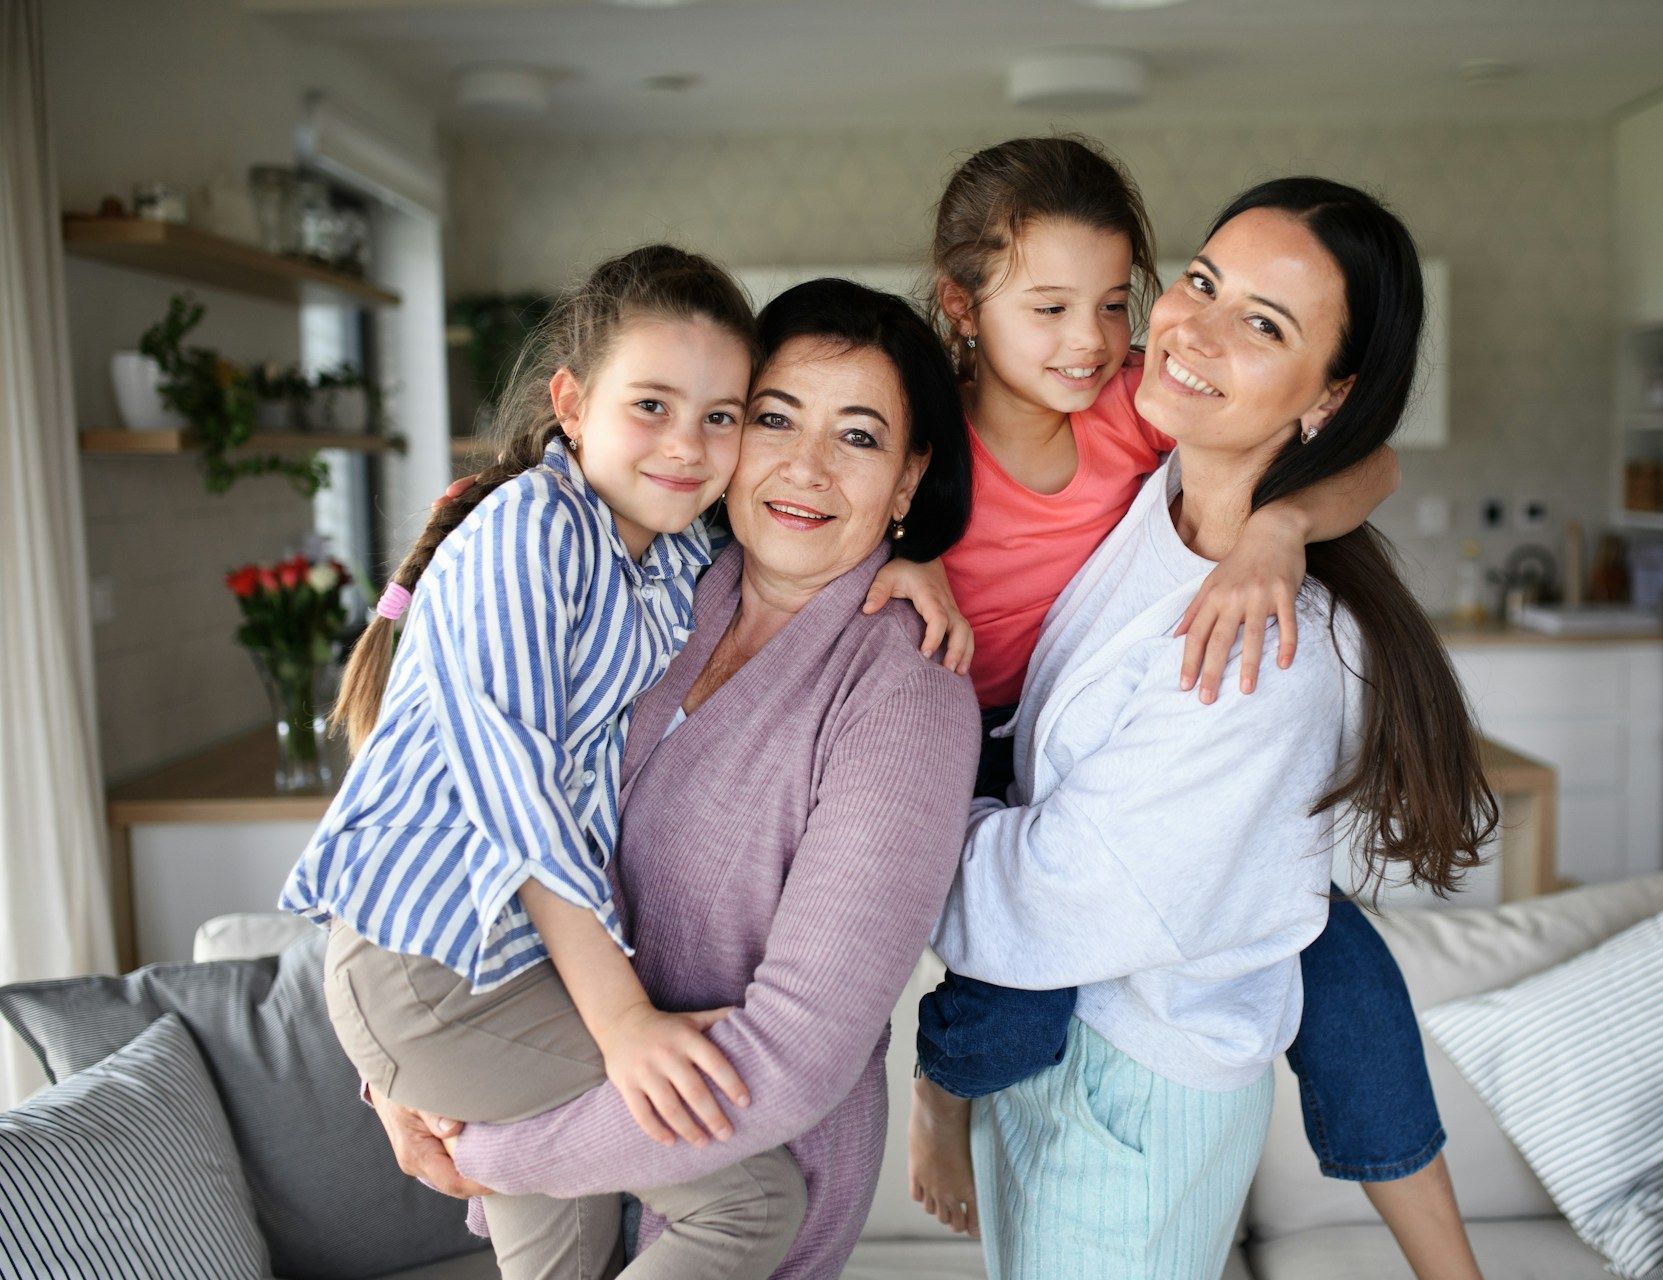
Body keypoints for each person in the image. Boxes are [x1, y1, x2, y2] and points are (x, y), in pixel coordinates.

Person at [901, 138, 1485, 1280]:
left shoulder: (1260, 648)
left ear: (1331, 393)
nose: (1189, 330)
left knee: (1344, 968)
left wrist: (871, 839)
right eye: (1205, 285)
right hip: (1072, 1033)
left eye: (1265, 325)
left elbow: (1060, 893)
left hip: (1135, 1079)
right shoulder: (1155, 482)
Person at [368, 279, 981, 1280]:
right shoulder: (647, 582)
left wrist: (486, 1145)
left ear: (909, 479)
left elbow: (794, 1054)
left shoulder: (905, 694)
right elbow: (463, 800)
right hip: (560, 1185)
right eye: (775, 417)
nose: (807, 465)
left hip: (738, 1206)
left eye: (860, 438)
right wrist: (408, 1058)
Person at [281, 245, 824, 1280]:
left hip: (515, 972)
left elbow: (816, 550)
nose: (689, 444)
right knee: (750, 1199)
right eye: (653, 404)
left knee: (563, 1261)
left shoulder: (671, 557)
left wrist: (918, 564)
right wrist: (624, 1023)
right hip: (436, 975)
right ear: (571, 403)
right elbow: (520, 805)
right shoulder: (530, 531)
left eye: (722, 415)